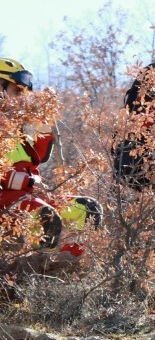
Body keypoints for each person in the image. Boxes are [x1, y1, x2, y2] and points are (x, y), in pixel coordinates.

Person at [0, 58, 103, 258]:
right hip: (5, 203)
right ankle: (36, 274)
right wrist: (30, 181)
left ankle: (68, 270)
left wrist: (43, 119)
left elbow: (39, 155)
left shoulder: (16, 132)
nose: (23, 99)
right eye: (17, 92)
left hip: (25, 198)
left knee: (87, 210)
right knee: (45, 216)